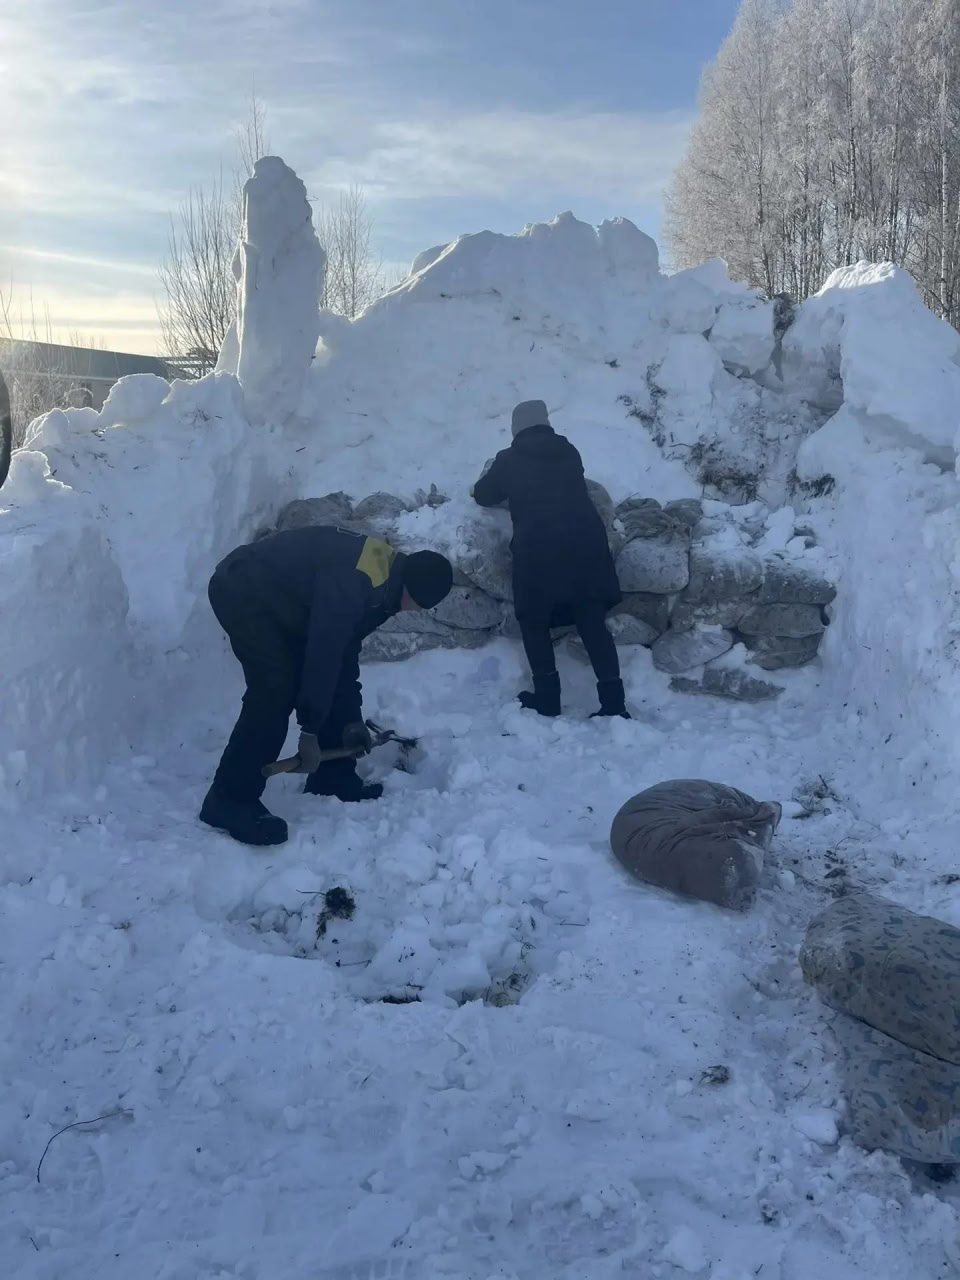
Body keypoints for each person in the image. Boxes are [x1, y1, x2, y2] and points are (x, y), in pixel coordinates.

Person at [200, 525, 453, 846]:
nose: (409, 611)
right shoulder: (359, 583)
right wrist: (309, 730)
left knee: (317, 672)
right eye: (414, 605)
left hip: (283, 601)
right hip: (242, 589)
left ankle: (333, 775)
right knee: (275, 688)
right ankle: (229, 799)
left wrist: (349, 720)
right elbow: (323, 652)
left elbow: (343, 651)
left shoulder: (386, 581)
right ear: (410, 590)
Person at [473, 399, 628, 719]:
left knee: (533, 620)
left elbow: (483, 494)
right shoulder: (569, 452)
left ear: (516, 429)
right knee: (591, 617)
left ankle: (548, 698)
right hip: (585, 544)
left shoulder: (509, 459)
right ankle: (614, 703)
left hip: (539, 549)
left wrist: (494, 473)